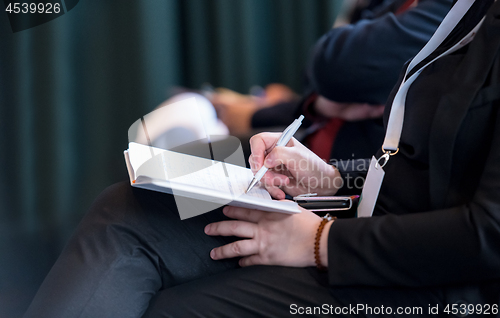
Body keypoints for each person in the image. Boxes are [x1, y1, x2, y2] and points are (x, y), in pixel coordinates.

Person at [25, 1, 500, 317]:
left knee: (168, 307)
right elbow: (429, 173)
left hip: (442, 286)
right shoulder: (468, 11)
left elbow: (488, 236)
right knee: (125, 210)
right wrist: (332, 187)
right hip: (363, 219)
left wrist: (322, 241)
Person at [215, 0, 452, 161]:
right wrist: (320, 102)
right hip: (321, 151)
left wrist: (254, 116)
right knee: (188, 163)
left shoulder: (454, 10)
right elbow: (318, 80)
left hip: (354, 173)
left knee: (192, 169)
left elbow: (333, 66)